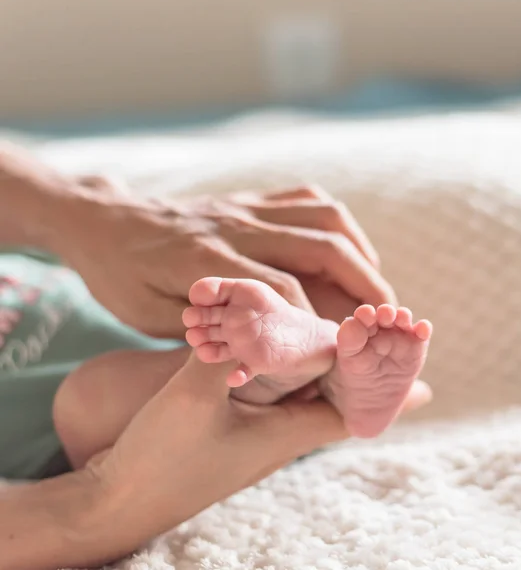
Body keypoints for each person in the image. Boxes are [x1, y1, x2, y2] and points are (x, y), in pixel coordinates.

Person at [0, 144, 432, 569]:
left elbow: (60, 230)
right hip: (133, 440)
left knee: (284, 283)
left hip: (189, 328)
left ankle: (332, 365)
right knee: (92, 397)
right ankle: (278, 377)